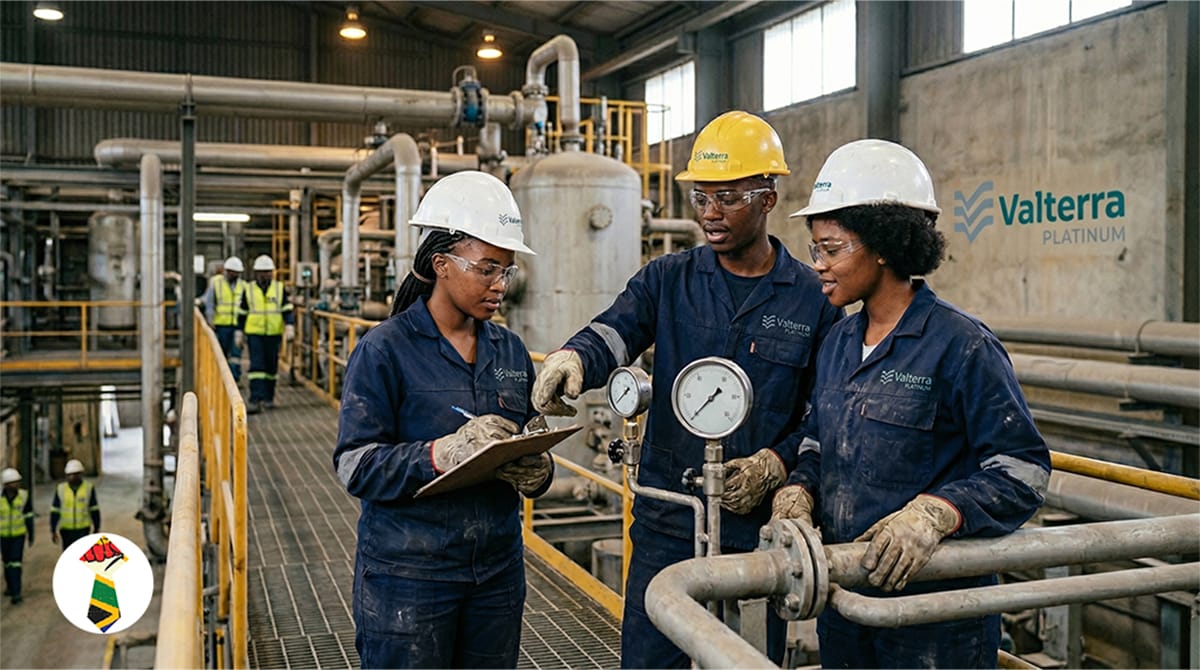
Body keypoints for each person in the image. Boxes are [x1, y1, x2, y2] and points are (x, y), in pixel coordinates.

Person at [531, 110, 842, 668]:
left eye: (728, 198)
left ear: (768, 198)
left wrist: (778, 461)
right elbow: (616, 329)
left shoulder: (810, 298)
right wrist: (574, 356)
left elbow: (825, 414)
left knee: (743, 660)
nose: (710, 214)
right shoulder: (668, 278)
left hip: (757, 523)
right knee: (652, 657)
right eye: (701, 198)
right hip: (667, 514)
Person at [773, 138, 1051, 668]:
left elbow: (1024, 471)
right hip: (847, 603)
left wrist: (936, 514)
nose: (819, 266)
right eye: (815, 250)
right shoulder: (837, 342)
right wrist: (797, 490)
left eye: (832, 249)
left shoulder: (961, 345)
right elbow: (818, 441)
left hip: (935, 620)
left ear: (883, 246)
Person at [333, 171, 553, 668]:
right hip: (409, 576)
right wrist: (442, 453)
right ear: (441, 265)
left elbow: (531, 435)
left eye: (508, 272)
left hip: (496, 572)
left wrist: (539, 472)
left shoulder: (510, 350)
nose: (500, 286)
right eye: (488, 269)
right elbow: (355, 465)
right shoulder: (384, 350)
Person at [240, 254, 294, 414]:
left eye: (268, 272)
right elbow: (242, 312)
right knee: (257, 366)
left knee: (271, 367)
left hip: (273, 333)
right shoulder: (248, 289)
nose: (266, 275)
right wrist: (239, 331)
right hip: (254, 334)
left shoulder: (279, 288)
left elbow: (286, 309)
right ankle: (255, 399)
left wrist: (290, 325)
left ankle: (269, 398)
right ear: (256, 273)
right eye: (262, 272)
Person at [203, 255, 248, 381]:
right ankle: (220, 378)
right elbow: (210, 303)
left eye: (238, 273)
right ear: (227, 271)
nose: (235, 275)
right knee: (221, 353)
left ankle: (234, 378)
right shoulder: (216, 283)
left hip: (237, 325)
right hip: (221, 325)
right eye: (233, 272)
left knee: (235, 354)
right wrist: (210, 320)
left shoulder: (243, 286)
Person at [0, 468, 34, 605]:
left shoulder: (24, 496)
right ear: (6, 485)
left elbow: (29, 516)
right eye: (12, 483)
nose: (16, 485)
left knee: (15, 564)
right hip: (3, 537)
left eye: (17, 482)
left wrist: (31, 533)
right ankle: (10, 587)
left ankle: (16, 593)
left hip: (18, 536)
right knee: (7, 563)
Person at [50, 458, 101, 548]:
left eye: (76, 474)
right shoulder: (61, 489)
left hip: (83, 529)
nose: (73, 477)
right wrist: (53, 530)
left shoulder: (88, 488)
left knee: (81, 556)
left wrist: (97, 527)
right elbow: (55, 511)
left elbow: (94, 509)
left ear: (81, 474)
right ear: (66, 476)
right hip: (66, 530)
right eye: (70, 475)